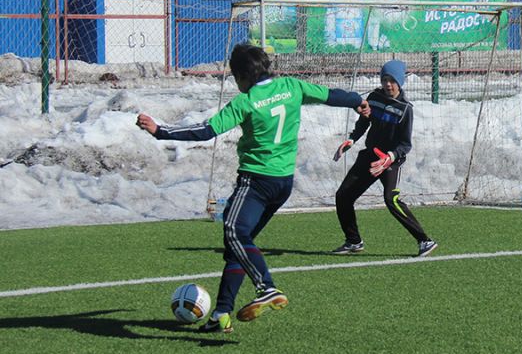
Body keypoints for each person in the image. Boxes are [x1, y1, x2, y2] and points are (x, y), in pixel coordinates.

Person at [136, 43, 367, 333]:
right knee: (238, 246)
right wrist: (357, 101)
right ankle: (220, 314)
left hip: (255, 182)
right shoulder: (292, 86)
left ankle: (266, 287)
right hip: (283, 183)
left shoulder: (245, 102)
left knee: (234, 231)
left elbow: (207, 130)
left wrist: (160, 131)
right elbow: (332, 96)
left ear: (242, 76)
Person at [331, 59, 438, 257]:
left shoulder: (405, 109)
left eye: (392, 80)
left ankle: (425, 241)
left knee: (391, 199)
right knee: (343, 196)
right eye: (384, 80)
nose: (388, 84)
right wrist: (352, 140)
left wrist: (390, 157)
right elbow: (364, 122)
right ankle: (353, 241)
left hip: (389, 162)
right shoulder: (374, 97)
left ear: (400, 82)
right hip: (370, 157)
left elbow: (405, 145)